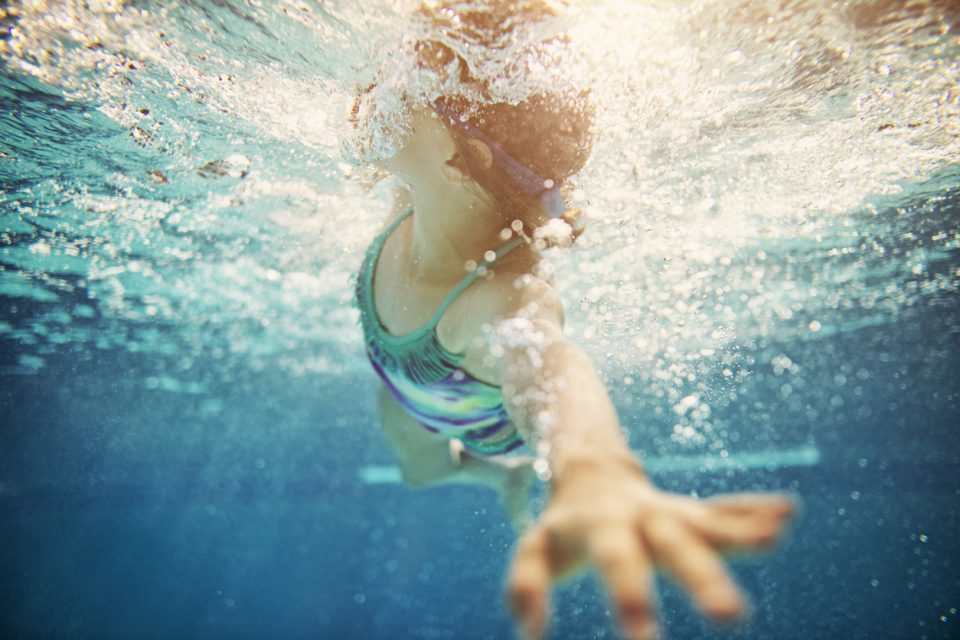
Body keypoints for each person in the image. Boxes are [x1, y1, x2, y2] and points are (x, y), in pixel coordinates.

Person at [348, 2, 795, 639]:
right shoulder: (417, 187)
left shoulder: (498, 297)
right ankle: (501, 479)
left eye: (408, 83)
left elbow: (548, 363)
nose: (385, 86)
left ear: (459, 157)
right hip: (404, 382)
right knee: (416, 466)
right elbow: (392, 129)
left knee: (421, 469)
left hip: (468, 408)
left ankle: (505, 464)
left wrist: (592, 467)